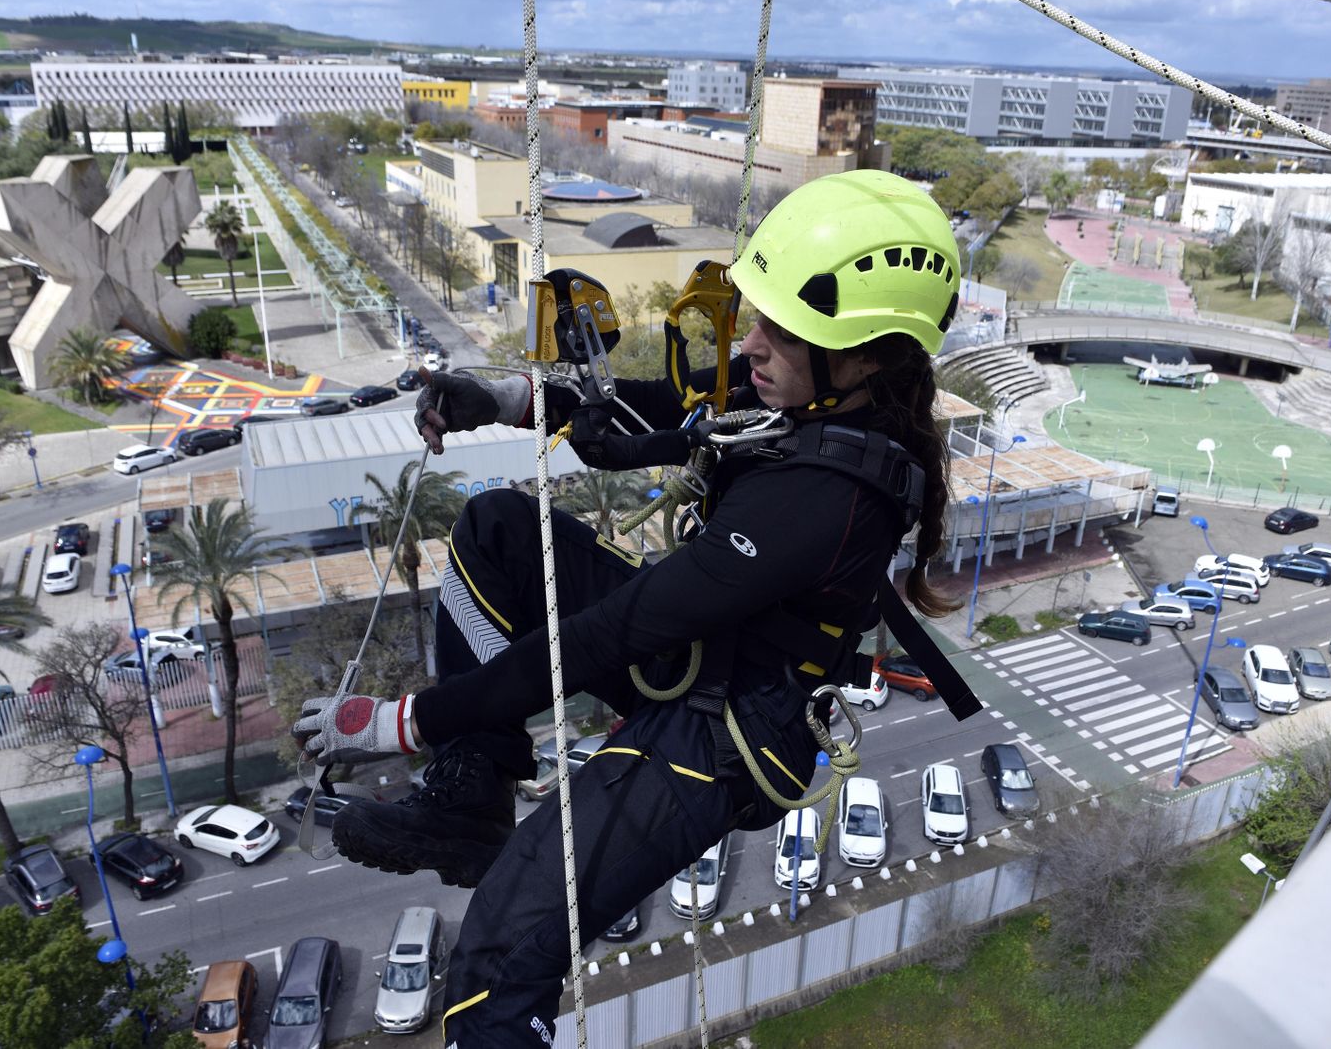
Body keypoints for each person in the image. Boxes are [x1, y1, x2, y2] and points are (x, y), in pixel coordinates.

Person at [294, 168, 963, 1047]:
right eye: (754, 320)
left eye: (780, 332)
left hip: (719, 736)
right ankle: (473, 792)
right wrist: (502, 400)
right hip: (695, 659)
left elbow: (614, 630)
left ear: (866, 353)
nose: (752, 345)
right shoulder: (802, 406)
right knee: (497, 528)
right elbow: (661, 409)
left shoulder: (831, 496)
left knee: (492, 970)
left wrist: (402, 723)